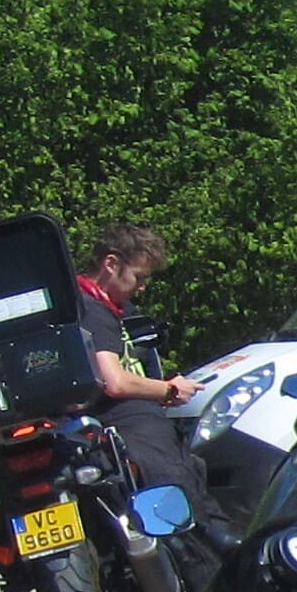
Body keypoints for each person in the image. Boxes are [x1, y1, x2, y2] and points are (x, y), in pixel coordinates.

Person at [74, 224, 216, 534]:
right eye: (138, 277)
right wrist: (169, 389)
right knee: (184, 507)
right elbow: (114, 381)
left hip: (124, 427)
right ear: (111, 264)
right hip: (131, 429)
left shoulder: (93, 305)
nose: (142, 288)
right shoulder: (92, 310)